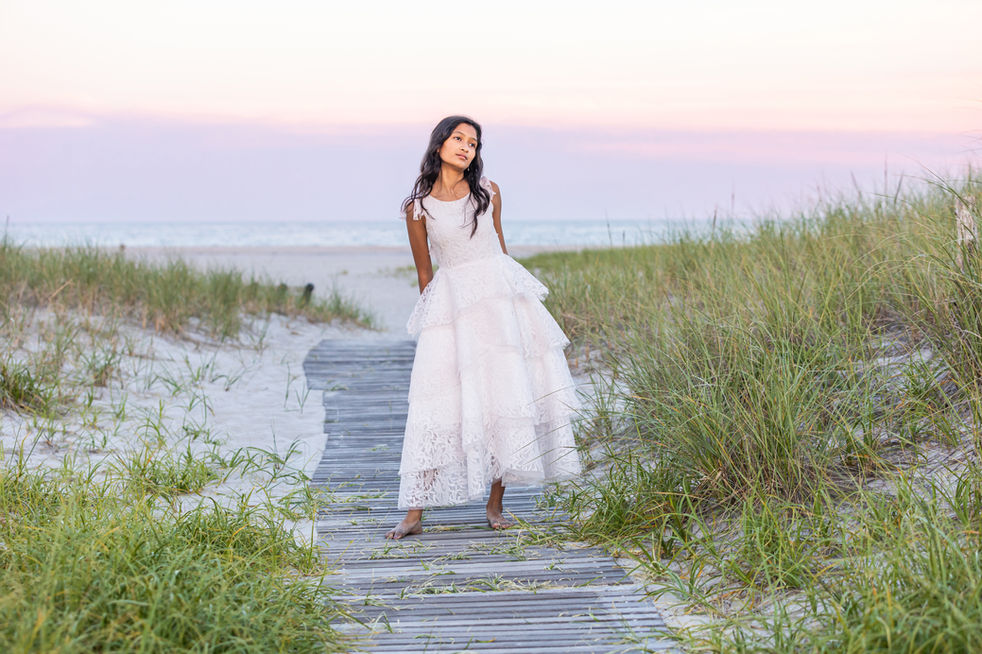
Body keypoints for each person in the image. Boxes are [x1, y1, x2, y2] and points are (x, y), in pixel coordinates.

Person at [385, 116, 581, 540]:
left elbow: (501, 250)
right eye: (458, 138)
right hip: (453, 302)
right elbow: (424, 274)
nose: (466, 147)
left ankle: (496, 504)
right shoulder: (417, 207)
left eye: (473, 143)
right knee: (436, 402)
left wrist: (516, 304)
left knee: (504, 396)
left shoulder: (488, 192)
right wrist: (435, 324)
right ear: (439, 144)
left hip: (499, 301)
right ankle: (414, 513)